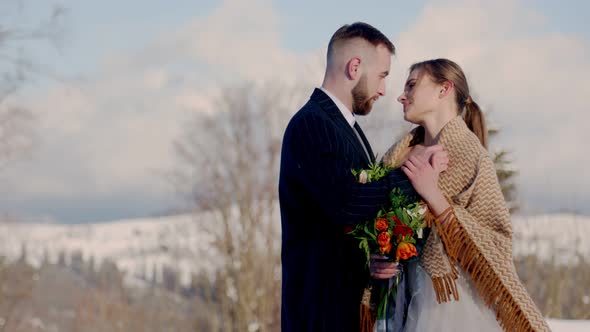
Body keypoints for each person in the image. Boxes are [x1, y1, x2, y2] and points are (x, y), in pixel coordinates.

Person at [278, 23, 446, 332]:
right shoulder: (312, 125)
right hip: (319, 314)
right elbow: (348, 201)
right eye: (382, 76)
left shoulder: (345, 128)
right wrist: (414, 174)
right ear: (355, 67)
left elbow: (335, 223)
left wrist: (368, 260)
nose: (384, 90)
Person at [381, 58, 550, 331]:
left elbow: (498, 245)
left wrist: (434, 196)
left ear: (443, 89)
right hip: (403, 303)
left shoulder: (473, 157)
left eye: (412, 85)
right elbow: (381, 231)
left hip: (455, 308)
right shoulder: (396, 158)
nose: (402, 96)